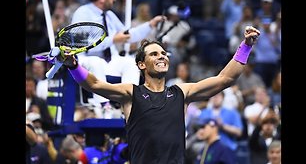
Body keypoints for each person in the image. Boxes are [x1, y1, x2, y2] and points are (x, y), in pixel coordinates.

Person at [58, 26, 260, 163]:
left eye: (163, 53)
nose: (162, 56)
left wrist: (246, 46)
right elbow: (93, 83)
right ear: (141, 64)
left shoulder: (182, 92)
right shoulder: (130, 93)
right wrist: (74, 65)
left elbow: (225, 79)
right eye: (154, 54)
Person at [70, 0, 165, 106]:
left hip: (110, 60)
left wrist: (150, 24)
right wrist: (113, 40)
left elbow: (128, 35)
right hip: (87, 60)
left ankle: (128, 104)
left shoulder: (109, 15)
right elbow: (84, 45)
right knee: (96, 62)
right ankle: (104, 106)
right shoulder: (82, 13)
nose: (114, 0)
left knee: (131, 63)